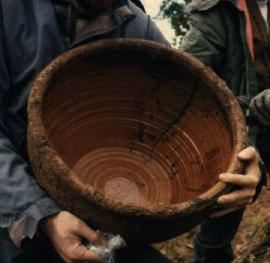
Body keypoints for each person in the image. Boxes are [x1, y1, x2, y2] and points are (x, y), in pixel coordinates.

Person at [0, 0, 262, 262]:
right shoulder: (9, 11)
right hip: (12, 212)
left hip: (99, 225)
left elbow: (192, 106)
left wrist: (245, 164)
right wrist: (42, 215)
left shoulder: (135, 25)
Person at [181, 0, 269, 262]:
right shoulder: (218, 10)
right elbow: (187, 78)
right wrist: (241, 106)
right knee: (220, 223)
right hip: (238, 132)